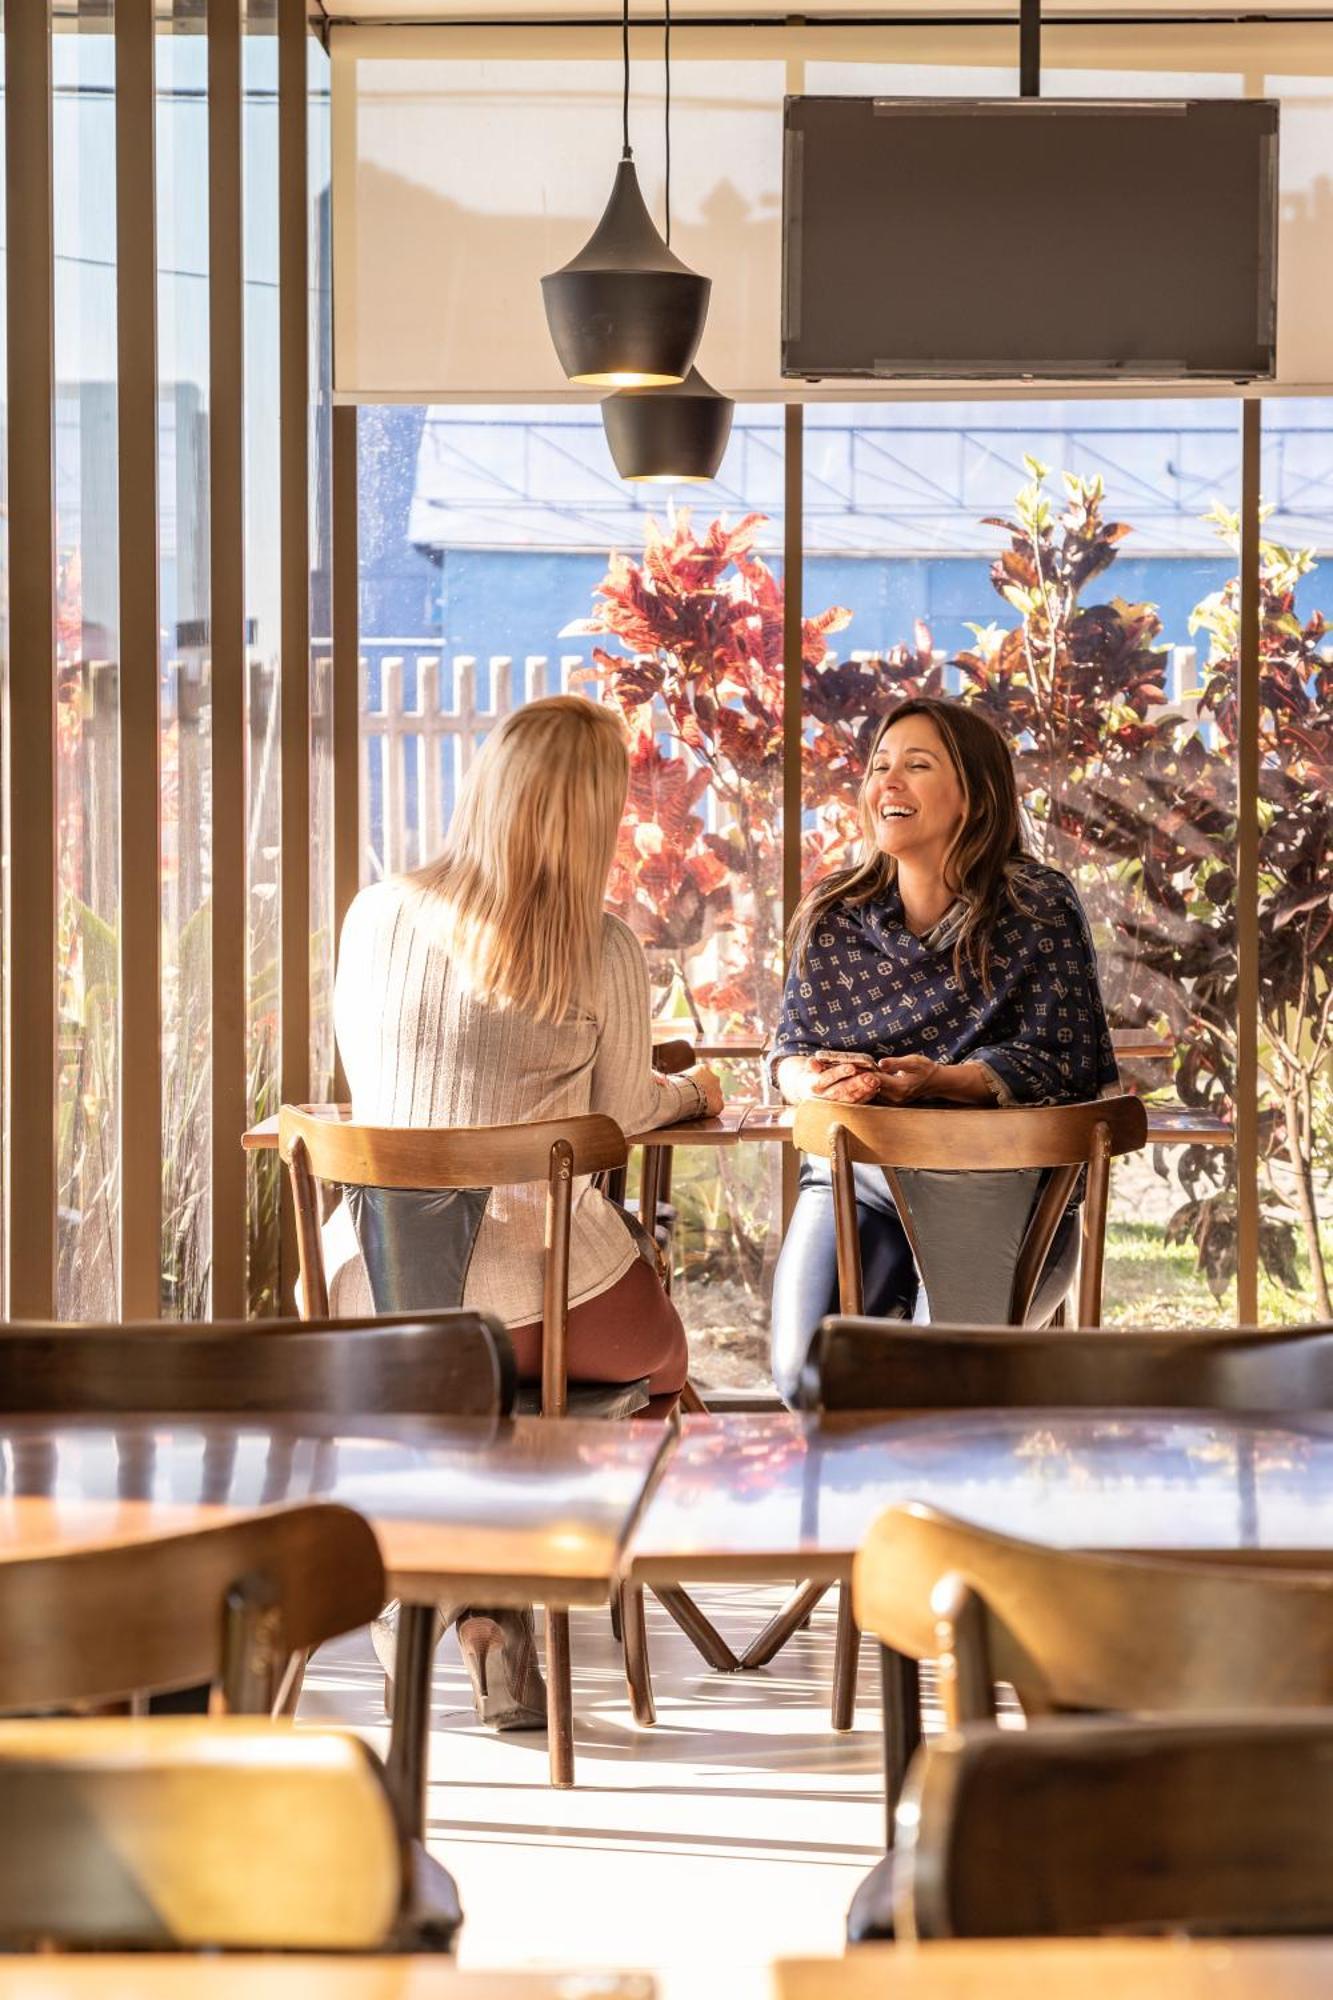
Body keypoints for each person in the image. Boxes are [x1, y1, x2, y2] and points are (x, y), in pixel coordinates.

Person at [332, 695, 723, 1724]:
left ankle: (454, 1594)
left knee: (468, 1389)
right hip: (528, 1284)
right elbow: (627, 1113)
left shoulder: (372, 912)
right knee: (662, 1365)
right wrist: (697, 1092)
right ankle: (529, 1579)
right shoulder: (595, 948)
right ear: (595, 812)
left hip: (371, 1289)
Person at [769, 696, 1118, 1405]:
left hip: (999, 1185)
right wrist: (809, 1082)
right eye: (879, 766)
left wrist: (947, 1080)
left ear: (973, 797)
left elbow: (1068, 1064)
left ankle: (947, 1513)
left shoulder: (1036, 905)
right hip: (856, 1176)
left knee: (944, 1390)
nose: (886, 783)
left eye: (916, 766)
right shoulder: (834, 914)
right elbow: (788, 1051)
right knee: (806, 1379)